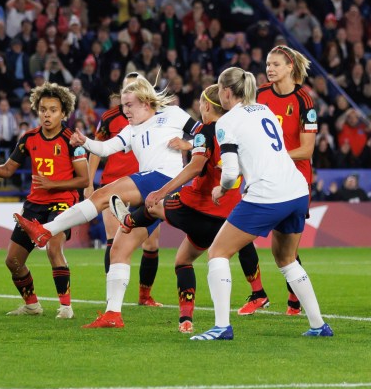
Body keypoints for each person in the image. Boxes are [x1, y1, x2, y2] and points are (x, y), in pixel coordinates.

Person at [13, 75, 199, 328]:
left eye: (129, 105)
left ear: (145, 102)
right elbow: (106, 148)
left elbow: (205, 134)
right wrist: (85, 142)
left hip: (163, 179)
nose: (125, 111)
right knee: (119, 249)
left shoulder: (174, 114)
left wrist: (187, 143)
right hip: (154, 197)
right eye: (122, 106)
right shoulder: (131, 129)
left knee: (102, 194)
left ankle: (45, 230)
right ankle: (113, 314)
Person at [191, 68, 331, 340]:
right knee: (287, 259)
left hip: (268, 194)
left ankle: (221, 327)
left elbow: (230, 173)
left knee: (217, 253)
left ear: (226, 92)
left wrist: (221, 188)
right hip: (296, 189)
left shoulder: (226, 122)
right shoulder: (264, 110)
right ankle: (318, 325)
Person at [109, 84, 241, 333]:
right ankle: (189, 319)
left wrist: (162, 190)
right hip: (228, 213)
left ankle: (128, 222)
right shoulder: (236, 130)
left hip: (198, 206)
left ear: (205, 106)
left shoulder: (204, 130)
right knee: (184, 260)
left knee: (155, 205)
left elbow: (194, 167)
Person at [0, 83, 89, 319]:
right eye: (43, 109)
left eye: (53, 110)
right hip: (34, 205)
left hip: (63, 203)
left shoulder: (72, 140)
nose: (47, 114)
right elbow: (9, 169)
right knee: (13, 261)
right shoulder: (29, 138)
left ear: (64, 113)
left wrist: (53, 185)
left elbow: (84, 180)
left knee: (53, 247)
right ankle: (32, 305)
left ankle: (66, 307)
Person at [235, 45, 316, 316]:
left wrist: (274, 154)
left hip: (295, 180)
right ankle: (258, 292)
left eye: (276, 64)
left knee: (284, 250)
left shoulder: (304, 101)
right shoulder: (259, 95)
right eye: (268, 63)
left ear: (290, 67)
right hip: (262, 177)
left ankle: (295, 299)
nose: (269, 68)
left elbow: (307, 150)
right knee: (239, 232)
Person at [87, 84, 163, 307]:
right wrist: (88, 183)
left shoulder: (155, 117)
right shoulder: (110, 117)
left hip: (144, 184)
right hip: (113, 183)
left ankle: (145, 295)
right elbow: (97, 148)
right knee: (114, 240)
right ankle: (112, 297)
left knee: (151, 243)